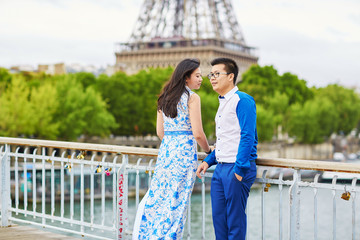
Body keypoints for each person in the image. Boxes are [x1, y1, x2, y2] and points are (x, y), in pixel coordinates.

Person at [132, 58, 211, 239]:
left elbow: (161, 132)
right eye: (197, 76)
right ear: (186, 77)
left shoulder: (164, 97)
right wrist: (208, 151)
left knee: (160, 200)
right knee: (177, 204)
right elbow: (198, 133)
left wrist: (173, 142)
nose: (201, 79)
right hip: (183, 156)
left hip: (166, 154)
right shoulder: (192, 98)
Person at [196, 57, 258, 240]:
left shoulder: (243, 100)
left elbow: (247, 136)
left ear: (231, 76)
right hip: (221, 168)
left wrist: (239, 169)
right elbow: (225, 140)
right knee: (219, 221)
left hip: (235, 168)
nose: (212, 78)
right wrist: (208, 161)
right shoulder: (223, 102)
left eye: (217, 74)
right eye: (211, 75)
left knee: (235, 223)